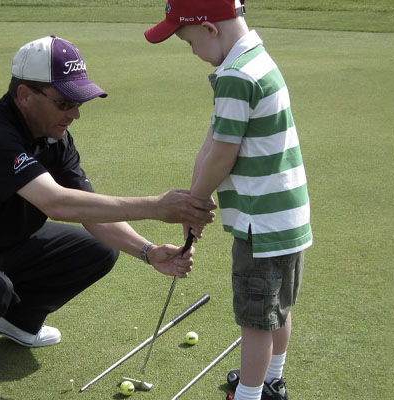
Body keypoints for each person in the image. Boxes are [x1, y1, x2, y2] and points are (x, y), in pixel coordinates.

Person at [0, 35, 216, 396]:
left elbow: (87, 208)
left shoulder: (54, 137)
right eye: (65, 102)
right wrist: (156, 207)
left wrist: (149, 251)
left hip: (4, 245)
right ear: (24, 96)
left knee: (95, 250)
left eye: (78, 102)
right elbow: (57, 203)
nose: (75, 113)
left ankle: (16, 321)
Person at [145, 1, 312, 399]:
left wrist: (194, 203)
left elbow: (223, 153)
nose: (192, 52)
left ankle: (251, 395)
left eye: (188, 42)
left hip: (261, 224)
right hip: (285, 219)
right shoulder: (255, 59)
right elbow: (214, 137)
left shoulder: (237, 76)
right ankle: (273, 380)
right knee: (276, 311)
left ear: (209, 29)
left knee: (255, 323)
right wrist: (193, 198)